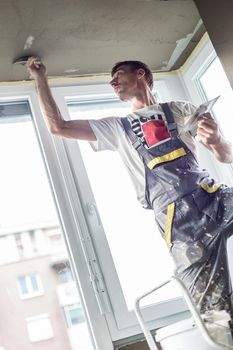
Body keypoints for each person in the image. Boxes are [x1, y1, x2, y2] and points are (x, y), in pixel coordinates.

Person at [27, 57, 233, 340]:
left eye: (118, 75)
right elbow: (58, 127)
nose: (112, 82)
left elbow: (225, 156)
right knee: (216, 318)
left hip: (214, 198)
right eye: (111, 80)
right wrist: (40, 79)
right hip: (182, 226)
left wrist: (217, 140)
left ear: (141, 75)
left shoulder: (180, 110)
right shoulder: (117, 129)